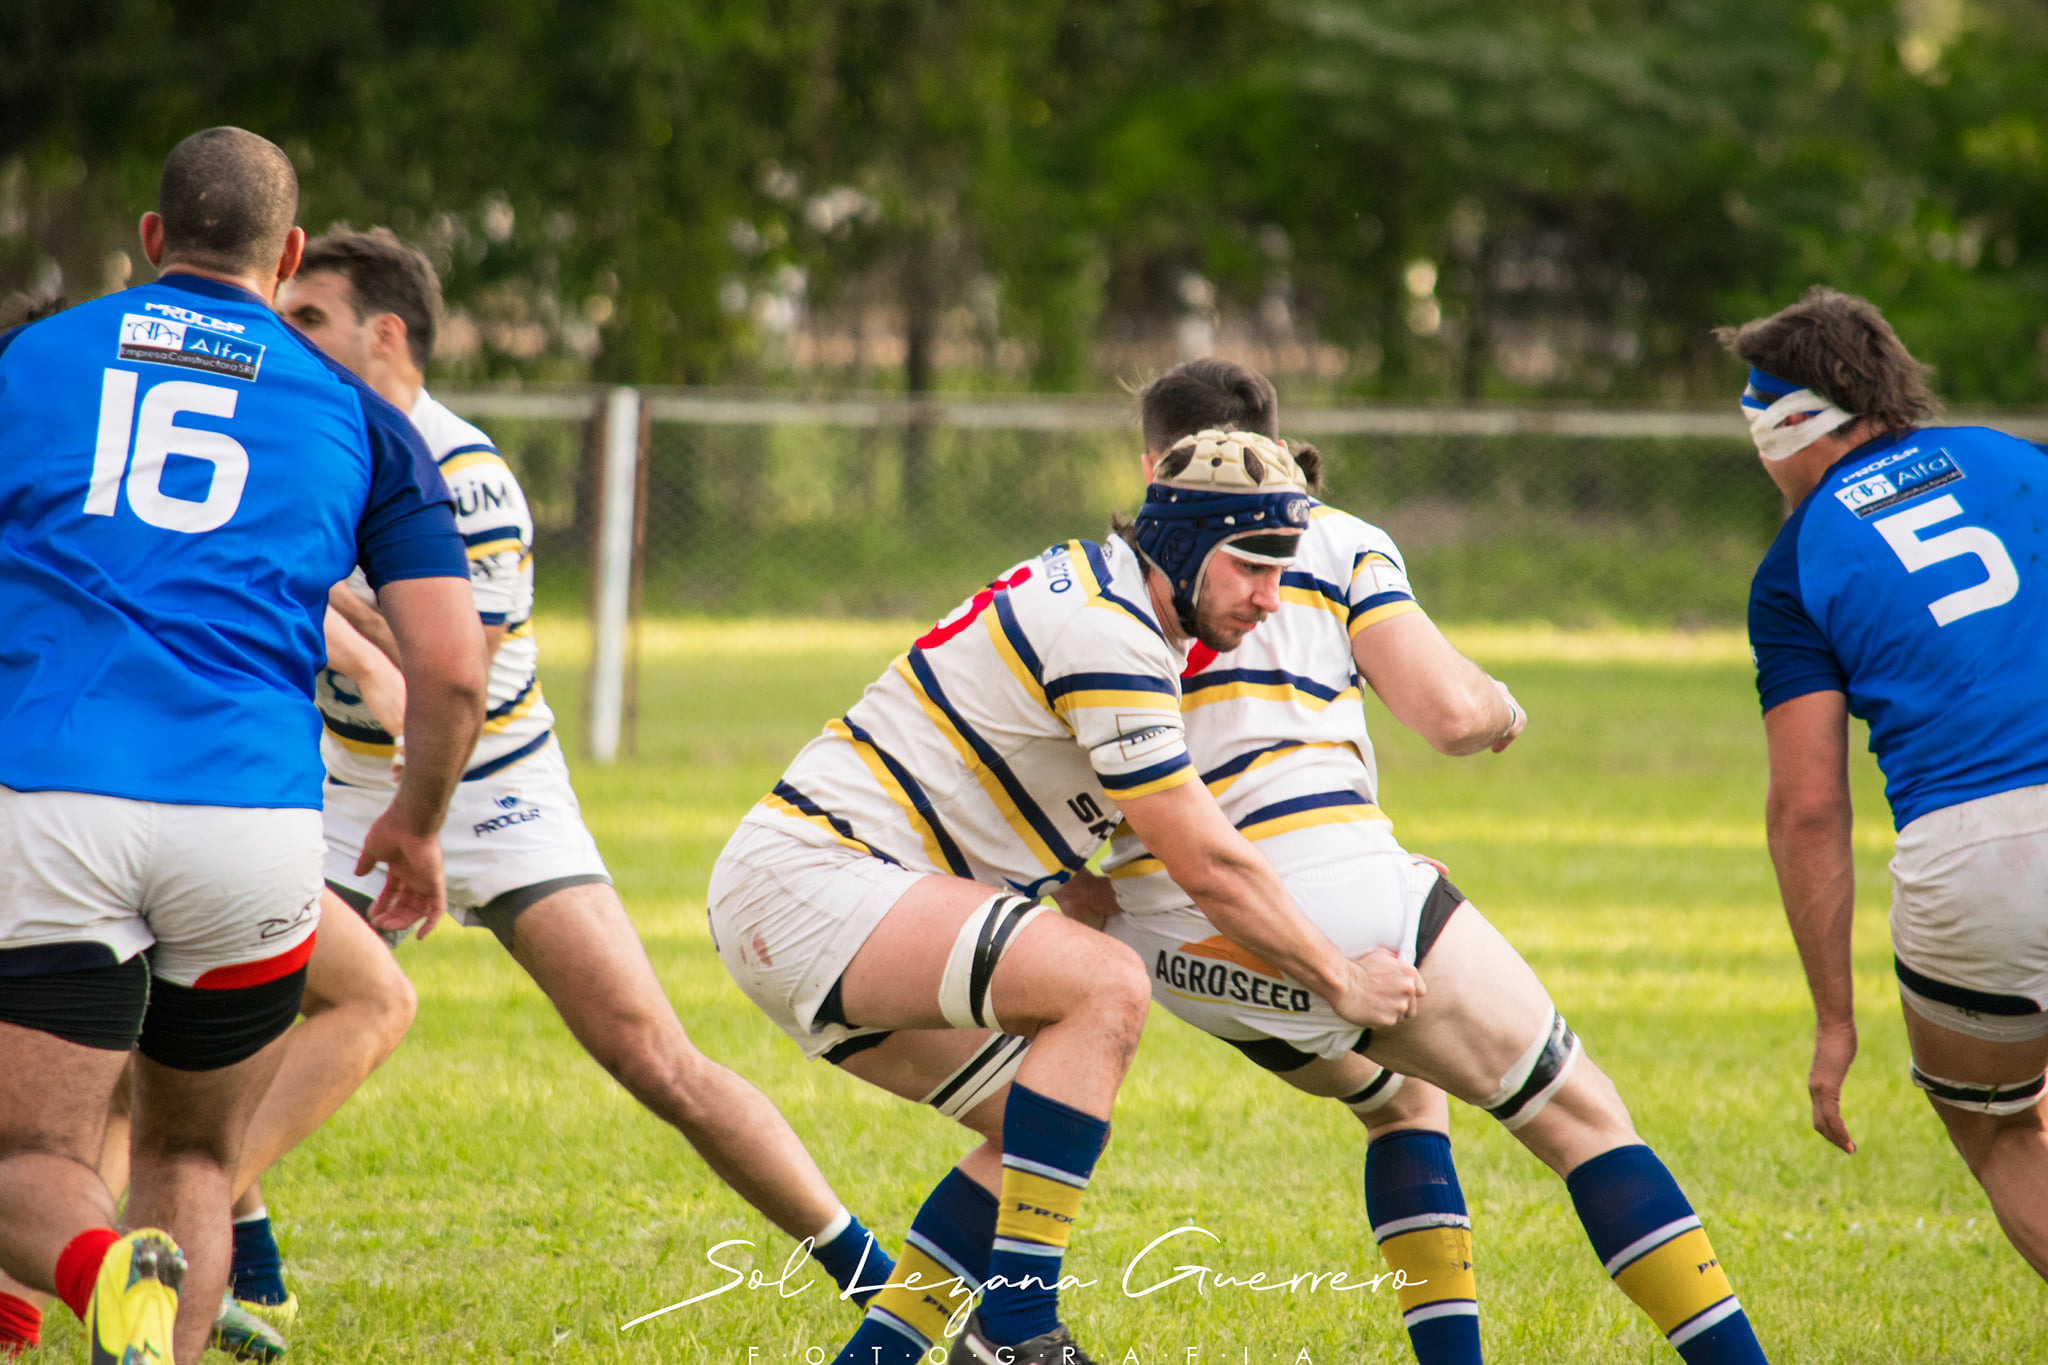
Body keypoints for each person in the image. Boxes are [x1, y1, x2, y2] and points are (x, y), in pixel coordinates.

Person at [257, 227, 897, 1329]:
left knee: (653, 1057)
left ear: (387, 333)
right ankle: (239, 1253)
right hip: (341, 790)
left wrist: (330, 610)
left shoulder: (467, 474)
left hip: (496, 787)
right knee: (191, 1024)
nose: (283, 336)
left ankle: (877, 1277)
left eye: (308, 317)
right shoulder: (299, 447)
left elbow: (441, 672)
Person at [1070, 359, 1772, 1365]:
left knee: (1400, 1096)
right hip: (1320, 891)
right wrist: (1502, 706)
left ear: (1152, 465)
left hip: (1177, 948)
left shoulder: (1098, 580)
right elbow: (1446, 714)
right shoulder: (1334, 537)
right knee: (1582, 1116)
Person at [710, 436, 1426, 1365]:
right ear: (1180, 542)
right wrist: (1339, 978)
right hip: (815, 876)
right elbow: (1208, 860)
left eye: (1283, 569)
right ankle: (1017, 1335)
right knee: (1104, 987)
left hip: (823, 887)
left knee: (1040, 1124)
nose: (1269, 595)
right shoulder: (1113, 632)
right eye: (1250, 564)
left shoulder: (1113, 604)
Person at [0, 127, 484, 1364]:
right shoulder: (358, 416)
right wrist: (416, 826)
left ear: (151, 239)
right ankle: (150, 1320)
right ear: (290, 257)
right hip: (254, 828)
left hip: (52, 799)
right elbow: (452, 667)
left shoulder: (31, 359)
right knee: (195, 1155)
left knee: (28, 1158)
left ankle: (100, 1269)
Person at [1724, 287, 2048, 1283]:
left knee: (1994, 1128)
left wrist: (1834, 1020)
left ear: (1790, 423)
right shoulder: (2014, 459)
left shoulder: (1792, 565)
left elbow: (1809, 807)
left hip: (1976, 858)